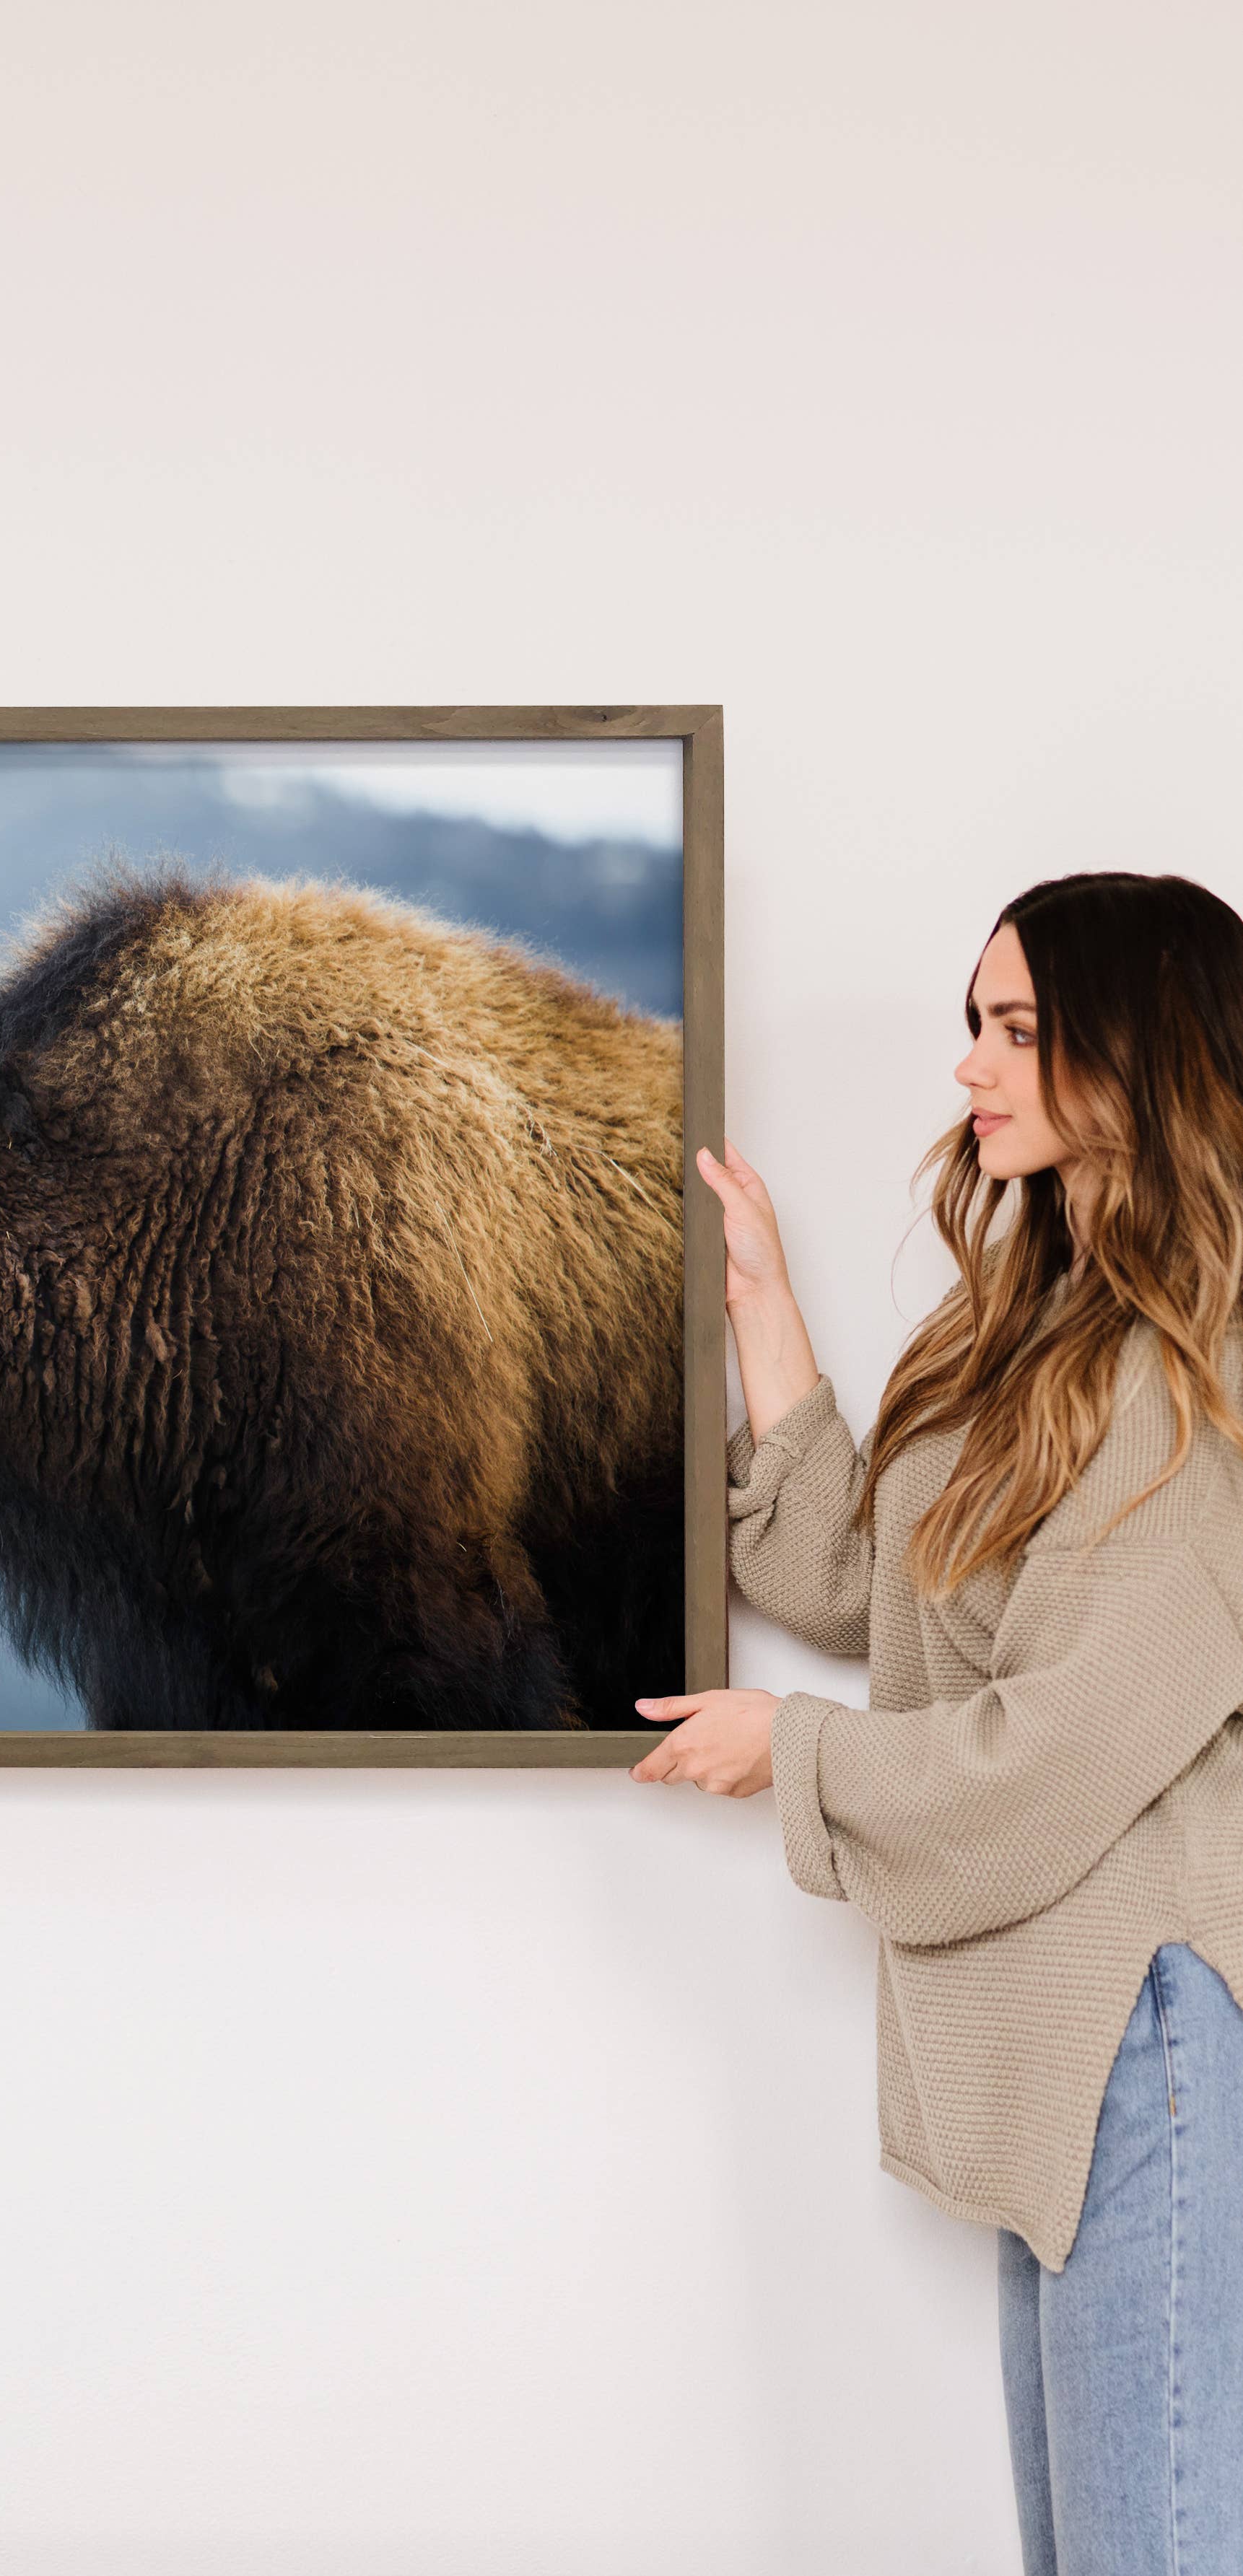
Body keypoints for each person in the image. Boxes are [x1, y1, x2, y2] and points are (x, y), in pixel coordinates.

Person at [632, 873, 1243, 2572]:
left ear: (1143, 1054)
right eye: (974, 1026)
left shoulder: (1208, 1375)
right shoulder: (1036, 1326)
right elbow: (868, 1584)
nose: (974, 1068)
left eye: (1021, 1031)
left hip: (1153, 2048)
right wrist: (761, 1304)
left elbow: (1060, 1750)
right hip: (1062, 2054)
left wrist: (793, 1756)